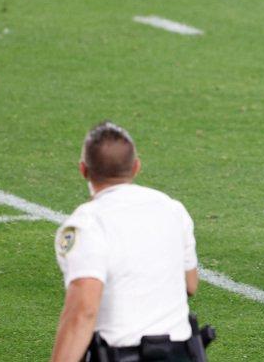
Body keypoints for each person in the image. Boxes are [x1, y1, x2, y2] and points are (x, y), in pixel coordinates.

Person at [51, 121, 210, 361]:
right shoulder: (172, 209)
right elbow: (190, 284)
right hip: (181, 355)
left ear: (84, 170)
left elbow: (83, 310)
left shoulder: (86, 224)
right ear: (136, 167)